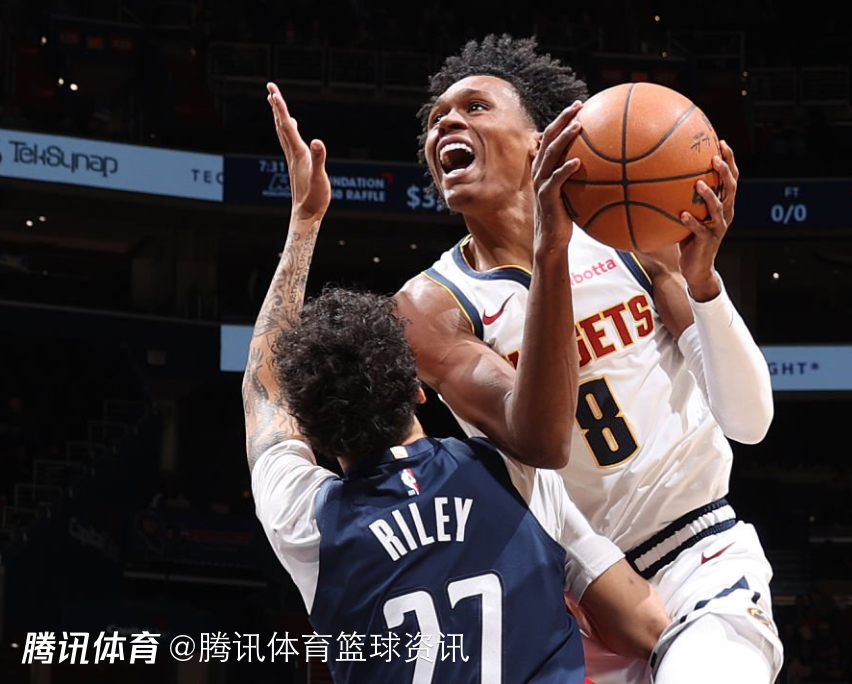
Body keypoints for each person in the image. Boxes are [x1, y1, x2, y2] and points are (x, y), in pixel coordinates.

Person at [243, 83, 669, 683]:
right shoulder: (508, 474)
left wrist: (304, 223)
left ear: (311, 432)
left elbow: (262, 389)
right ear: (419, 389)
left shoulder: (308, 522)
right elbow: (643, 627)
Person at [393, 35, 783, 683]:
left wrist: (704, 283)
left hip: (702, 552)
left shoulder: (631, 235)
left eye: (475, 107)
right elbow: (540, 440)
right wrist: (550, 251)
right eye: (437, 119)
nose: (447, 124)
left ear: (542, 139)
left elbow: (749, 423)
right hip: (574, 595)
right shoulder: (431, 306)